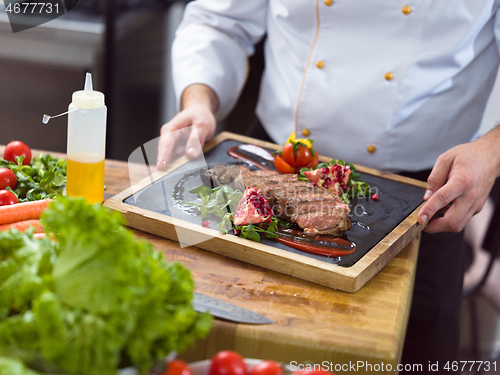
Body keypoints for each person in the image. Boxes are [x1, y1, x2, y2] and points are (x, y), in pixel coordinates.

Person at [157, 0, 500, 370]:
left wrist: (492, 150)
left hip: (425, 191)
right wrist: (199, 100)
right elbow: (218, 21)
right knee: (236, 338)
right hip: (274, 162)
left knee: (415, 350)